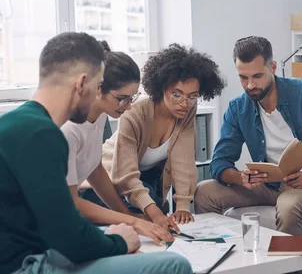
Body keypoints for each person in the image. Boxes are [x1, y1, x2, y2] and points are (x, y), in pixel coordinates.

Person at [0, 32, 191, 274]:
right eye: (98, 85)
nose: (98, 96)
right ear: (82, 83)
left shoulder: (19, 123)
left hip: (36, 249)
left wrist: (124, 222)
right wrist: (120, 241)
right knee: (174, 264)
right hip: (27, 265)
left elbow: (57, 222)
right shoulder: (44, 135)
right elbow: (69, 236)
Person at [195, 36, 302, 235]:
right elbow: (220, 162)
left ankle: (290, 267)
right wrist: (241, 178)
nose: (250, 85)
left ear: (274, 67)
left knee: (288, 204)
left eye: (257, 76)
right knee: (204, 191)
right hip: (270, 185)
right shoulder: (238, 108)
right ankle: (219, 260)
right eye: (243, 78)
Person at [100, 43, 225, 233]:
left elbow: (183, 160)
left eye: (192, 96)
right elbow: (124, 175)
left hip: (148, 178)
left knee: (156, 204)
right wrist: (155, 213)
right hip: (111, 177)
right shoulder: (134, 113)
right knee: (151, 207)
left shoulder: (186, 113)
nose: (185, 103)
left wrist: (183, 205)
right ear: (161, 88)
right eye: (177, 95)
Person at [62, 41, 172, 244]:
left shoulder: (100, 113)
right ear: (97, 89)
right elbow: (70, 203)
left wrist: (128, 217)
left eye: (132, 98)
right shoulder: (68, 129)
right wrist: (132, 222)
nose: (128, 107)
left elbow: (95, 170)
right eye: (122, 99)